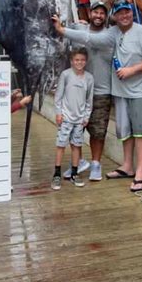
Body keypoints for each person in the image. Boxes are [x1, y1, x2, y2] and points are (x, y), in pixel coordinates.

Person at [52, 0, 142, 193]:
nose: (124, 15)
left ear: (131, 12)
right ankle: (127, 166)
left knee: (141, 133)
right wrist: (61, 30)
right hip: (120, 92)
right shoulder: (114, 33)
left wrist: (131, 70)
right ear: (115, 16)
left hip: (140, 92)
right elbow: (89, 38)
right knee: (125, 132)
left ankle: (140, 174)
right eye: (120, 13)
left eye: (127, 11)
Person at [63, 1, 113, 182]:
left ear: (105, 16)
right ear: (89, 14)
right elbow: (62, 34)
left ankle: (96, 164)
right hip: (77, 92)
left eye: (102, 13)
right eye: (95, 12)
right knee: (72, 130)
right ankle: (78, 162)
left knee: (98, 132)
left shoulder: (110, 36)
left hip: (102, 91)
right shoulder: (78, 33)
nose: (98, 16)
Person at [51, 48, 94, 191]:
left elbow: (89, 99)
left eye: (82, 60)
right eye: (76, 60)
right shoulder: (66, 75)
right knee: (61, 145)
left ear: (86, 61)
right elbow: (59, 95)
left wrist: (86, 116)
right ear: (71, 61)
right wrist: (59, 113)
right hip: (66, 117)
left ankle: (75, 173)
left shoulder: (89, 78)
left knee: (77, 145)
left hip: (79, 119)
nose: (79, 62)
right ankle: (56, 173)